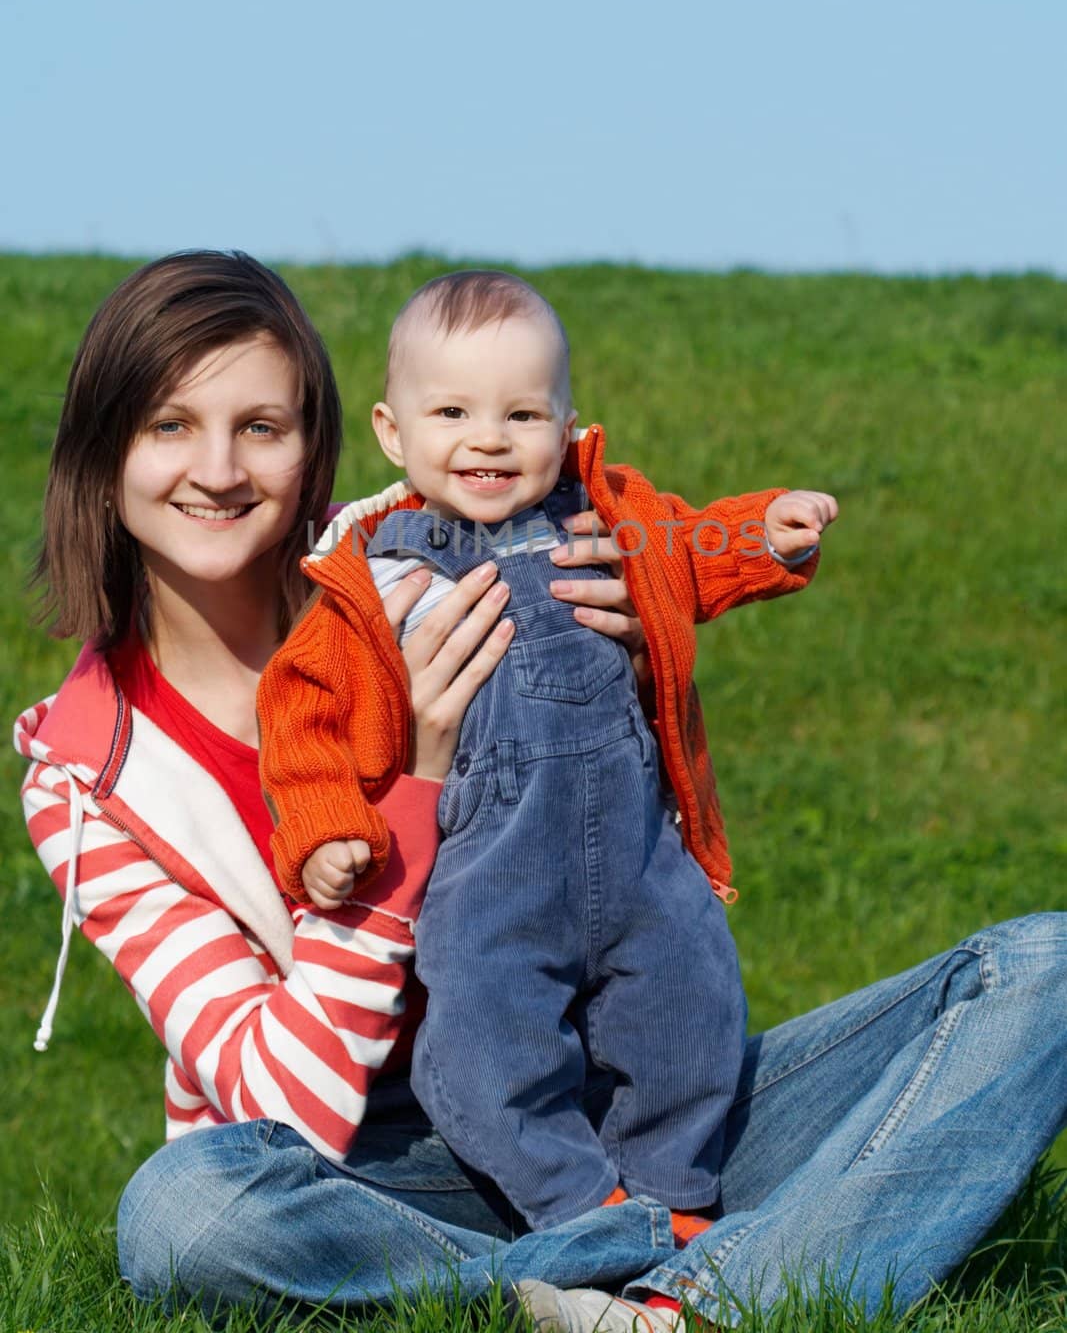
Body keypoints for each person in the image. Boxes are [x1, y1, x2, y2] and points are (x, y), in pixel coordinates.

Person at [16, 251, 1067, 1329]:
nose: (220, 469)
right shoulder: (86, 781)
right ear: (103, 454)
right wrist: (415, 785)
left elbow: (604, 807)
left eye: (262, 427)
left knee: (1042, 971)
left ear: (322, 442)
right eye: (168, 426)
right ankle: (653, 1279)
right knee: (180, 1215)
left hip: (615, 1114)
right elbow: (284, 1105)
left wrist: (633, 640)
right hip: (383, 1175)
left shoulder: (452, 548)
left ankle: (666, 1292)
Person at [258, 268, 837, 1242]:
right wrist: (321, 831)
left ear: (567, 423)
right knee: (485, 1041)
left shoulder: (605, 519)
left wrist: (765, 534)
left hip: (642, 858)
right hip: (490, 875)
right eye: (451, 410)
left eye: (521, 412)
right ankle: (575, 1205)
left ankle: (673, 1199)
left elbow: (687, 544)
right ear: (393, 432)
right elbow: (299, 712)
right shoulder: (377, 572)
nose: (487, 437)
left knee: (691, 1014)